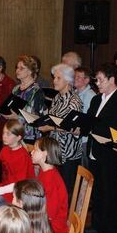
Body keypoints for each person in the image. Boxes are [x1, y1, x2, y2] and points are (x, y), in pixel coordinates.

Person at [85, 63, 117, 233]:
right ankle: (97, 226)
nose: (97, 83)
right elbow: (90, 120)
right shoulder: (97, 100)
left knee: (110, 194)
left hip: (110, 153)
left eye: (100, 80)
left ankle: (109, 231)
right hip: (95, 150)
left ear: (112, 79)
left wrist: (95, 129)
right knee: (97, 191)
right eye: (96, 79)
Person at [38, 63, 83, 197]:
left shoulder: (74, 101)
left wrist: (50, 127)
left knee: (65, 191)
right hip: (55, 150)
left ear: (68, 80)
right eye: (54, 77)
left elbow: (72, 128)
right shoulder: (57, 97)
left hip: (68, 152)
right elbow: (52, 118)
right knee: (54, 190)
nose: (54, 81)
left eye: (58, 78)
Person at [0, 119, 34, 220]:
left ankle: (6, 230)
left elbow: (17, 185)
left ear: (18, 137)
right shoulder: (5, 149)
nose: (4, 136)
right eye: (4, 132)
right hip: (5, 187)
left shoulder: (22, 156)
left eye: (8, 134)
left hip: (17, 193)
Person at [31, 137, 68, 233]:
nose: (31, 152)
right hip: (46, 222)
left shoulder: (50, 179)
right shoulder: (46, 171)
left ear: (45, 153)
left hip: (54, 229)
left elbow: (50, 213)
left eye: (35, 150)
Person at [4, 55, 44, 144]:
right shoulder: (16, 88)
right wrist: (3, 112)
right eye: (17, 68)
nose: (17, 70)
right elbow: (11, 107)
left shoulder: (36, 91)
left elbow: (38, 118)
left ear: (30, 71)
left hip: (29, 135)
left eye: (21, 68)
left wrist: (18, 117)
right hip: (14, 132)